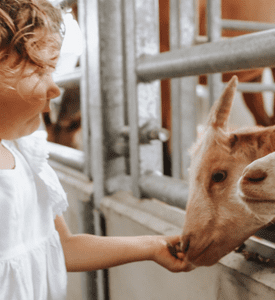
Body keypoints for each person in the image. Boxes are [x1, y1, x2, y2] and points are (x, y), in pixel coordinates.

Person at [0, 1, 192, 299]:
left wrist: (151, 247)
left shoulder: (27, 156)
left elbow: (63, 247)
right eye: (40, 72)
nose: (54, 89)